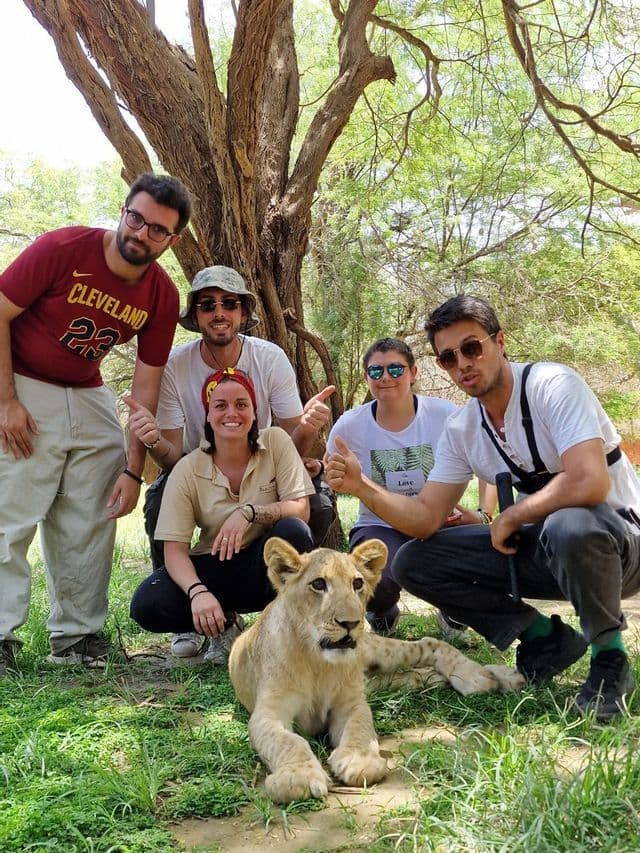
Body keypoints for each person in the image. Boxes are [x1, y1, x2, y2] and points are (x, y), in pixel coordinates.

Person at [326, 295, 640, 721]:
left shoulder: (552, 384)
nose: (463, 364)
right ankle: (544, 637)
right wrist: (362, 486)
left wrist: (509, 516)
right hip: (548, 553)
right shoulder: (463, 427)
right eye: (449, 357)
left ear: (499, 342)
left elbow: (589, 479)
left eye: (472, 348)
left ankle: (610, 659)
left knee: (569, 524)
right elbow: (424, 519)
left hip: (619, 547)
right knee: (415, 560)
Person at [0, 172, 192, 674]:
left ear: (172, 241)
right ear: (124, 211)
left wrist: (132, 470)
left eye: (157, 231)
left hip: (86, 389)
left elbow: (145, 388)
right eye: (136, 219)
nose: (141, 234)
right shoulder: (64, 248)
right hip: (21, 377)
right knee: (11, 510)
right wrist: (6, 401)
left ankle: (77, 636)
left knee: (92, 511)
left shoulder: (160, 295)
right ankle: (0, 636)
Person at [127, 264, 335, 658]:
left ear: (243, 312)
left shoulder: (269, 359)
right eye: (207, 305)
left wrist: (306, 429)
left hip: (266, 479)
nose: (218, 312)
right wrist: (152, 440)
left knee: (312, 509)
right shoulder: (177, 366)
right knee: (158, 500)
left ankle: (297, 614)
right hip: (197, 475)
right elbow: (173, 456)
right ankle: (198, 616)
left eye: (229, 303)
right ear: (196, 315)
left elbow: (292, 446)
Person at [130, 368, 315, 663]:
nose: (232, 413)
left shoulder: (276, 442)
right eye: (220, 405)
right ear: (207, 415)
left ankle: (284, 630)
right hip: (213, 564)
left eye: (242, 404)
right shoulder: (188, 468)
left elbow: (300, 508)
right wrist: (197, 592)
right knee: (147, 604)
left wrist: (249, 512)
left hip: (261, 564)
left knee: (294, 532)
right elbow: (175, 551)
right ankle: (223, 624)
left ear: (254, 412)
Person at [326, 336, 493, 634]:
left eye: (396, 369)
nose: (386, 377)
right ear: (367, 378)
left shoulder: (445, 415)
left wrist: (483, 515)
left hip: (441, 518)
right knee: (372, 578)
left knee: (478, 554)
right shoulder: (350, 425)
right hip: (380, 524)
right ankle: (382, 611)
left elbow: (487, 466)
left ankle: (454, 611)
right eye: (376, 371)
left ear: (413, 373)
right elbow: (333, 477)